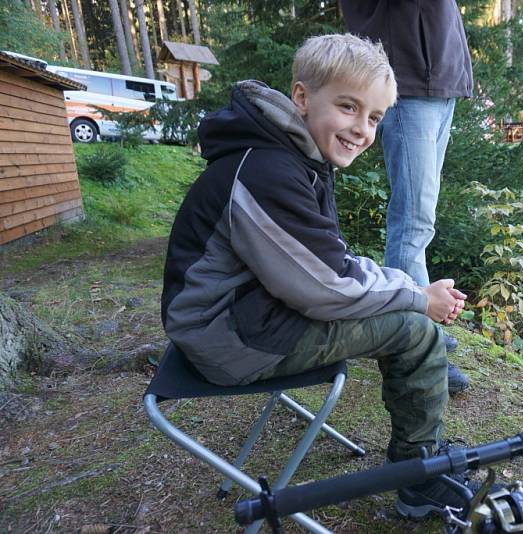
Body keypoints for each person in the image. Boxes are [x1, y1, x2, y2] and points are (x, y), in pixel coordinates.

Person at [161, 34, 470, 518]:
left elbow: (326, 262)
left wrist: (404, 287)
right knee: (416, 330)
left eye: (374, 118)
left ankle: (421, 462)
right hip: (228, 337)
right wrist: (416, 297)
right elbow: (328, 286)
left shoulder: (288, 154)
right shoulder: (268, 170)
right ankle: (419, 476)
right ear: (302, 97)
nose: (362, 130)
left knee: (402, 308)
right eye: (348, 107)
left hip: (238, 317)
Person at [340, 2, 473, 395]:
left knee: (419, 217)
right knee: (413, 220)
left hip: (440, 79)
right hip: (409, 78)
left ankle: (415, 331)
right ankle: (413, 347)